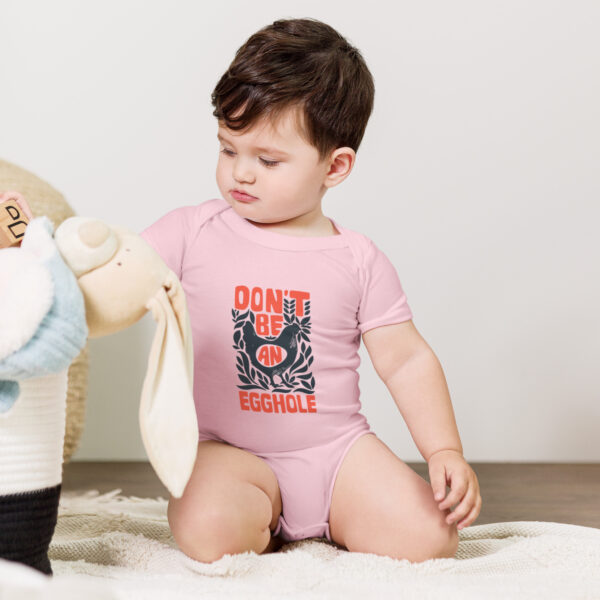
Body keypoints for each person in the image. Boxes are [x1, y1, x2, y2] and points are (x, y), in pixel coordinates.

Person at [140, 17, 481, 564]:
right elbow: (117, 269)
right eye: (229, 150)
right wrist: (41, 249)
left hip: (335, 454)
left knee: (431, 539)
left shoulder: (357, 259)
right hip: (229, 450)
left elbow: (406, 360)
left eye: (268, 160)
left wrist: (444, 449)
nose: (240, 174)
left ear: (335, 165)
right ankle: (261, 516)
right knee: (206, 529)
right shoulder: (191, 232)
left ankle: (323, 518)